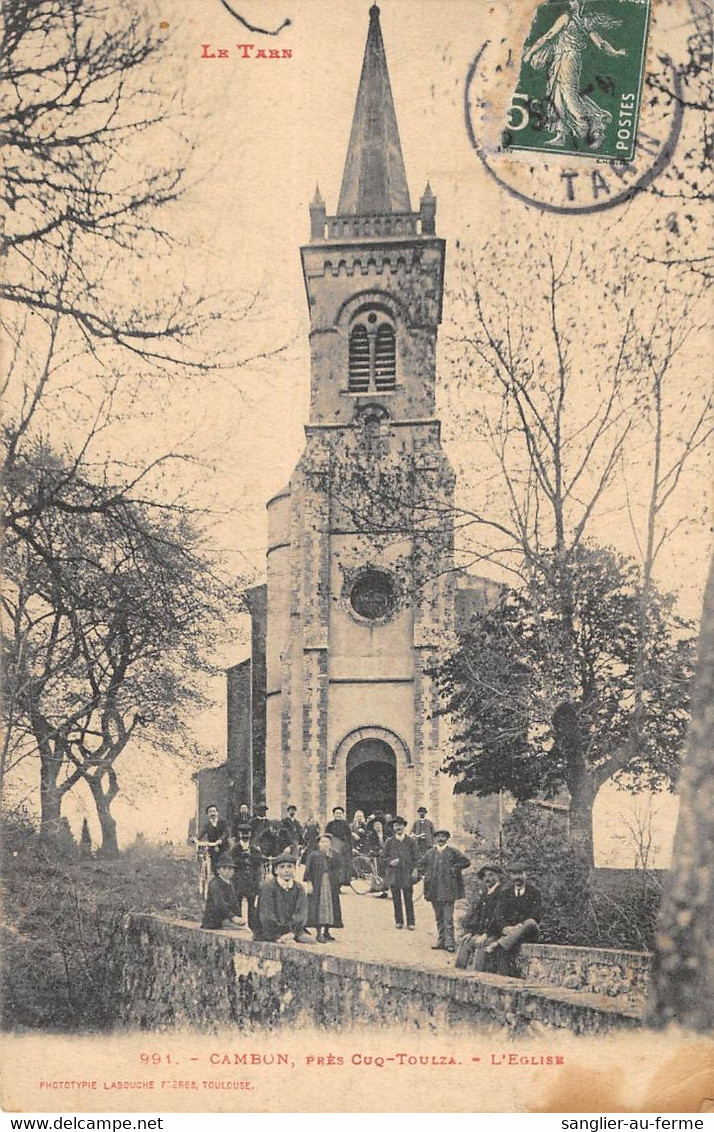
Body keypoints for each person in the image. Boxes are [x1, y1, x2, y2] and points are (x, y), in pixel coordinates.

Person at [522, 0, 626, 150]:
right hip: (562, 59)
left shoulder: (567, 18)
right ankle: (561, 134)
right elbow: (601, 43)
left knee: (569, 95)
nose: (571, 2)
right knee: (556, 95)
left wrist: (530, 53)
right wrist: (615, 52)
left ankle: (593, 126)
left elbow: (547, 37)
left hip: (567, 59)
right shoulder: (585, 21)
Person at [486, 860, 542, 976]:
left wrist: (518, 926)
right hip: (510, 934)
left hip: (528, 932)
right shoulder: (506, 893)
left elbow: (536, 915)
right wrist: (505, 928)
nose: (517, 877)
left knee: (531, 922)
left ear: (526, 874)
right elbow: (498, 915)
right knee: (500, 950)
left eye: (520, 873)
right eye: (514, 874)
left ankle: (499, 944)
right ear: (510, 876)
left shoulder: (534, 892)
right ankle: (503, 978)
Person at [419, 829, 471, 952]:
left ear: (447, 839)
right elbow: (420, 864)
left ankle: (450, 943)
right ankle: (441, 940)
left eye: (443, 837)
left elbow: (466, 861)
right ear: (435, 839)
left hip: (449, 890)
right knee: (438, 917)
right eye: (438, 837)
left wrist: (454, 869)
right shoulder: (430, 853)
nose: (441, 839)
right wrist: (424, 875)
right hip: (434, 890)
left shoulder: (453, 852)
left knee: (448, 918)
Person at [253, 852, 314, 943]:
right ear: (276, 870)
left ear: (294, 869)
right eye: (282, 867)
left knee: (311, 941)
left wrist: (292, 933)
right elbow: (267, 916)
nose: (286, 870)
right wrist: (280, 934)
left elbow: (301, 913)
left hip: (293, 931)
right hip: (270, 931)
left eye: (289, 866)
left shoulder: (299, 888)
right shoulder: (268, 887)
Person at [455, 864, 505, 971]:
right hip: (483, 934)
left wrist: (486, 934)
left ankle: (477, 978)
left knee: (481, 945)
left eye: (491, 875)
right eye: (485, 876)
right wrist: (471, 932)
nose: (487, 879)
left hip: (496, 934)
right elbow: (477, 916)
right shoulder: (485, 895)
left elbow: (498, 917)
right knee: (466, 942)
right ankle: (458, 975)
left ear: (499, 877)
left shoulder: (502, 893)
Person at [380, 816, 420, 930]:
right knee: (396, 899)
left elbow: (417, 857)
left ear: (404, 827)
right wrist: (390, 862)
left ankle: (411, 922)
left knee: (408, 898)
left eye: (400, 825)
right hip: (394, 874)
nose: (398, 827)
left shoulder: (411, 841)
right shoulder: (389, 841)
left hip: (407, 873)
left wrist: (415, 870)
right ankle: (399, 921)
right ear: (393, 828)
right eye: (396, 825)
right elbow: (382, 858)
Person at [304, 834, 343, 942]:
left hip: (331, 884)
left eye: (327, 842)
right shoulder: (313, 855)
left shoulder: (334, 855)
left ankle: (327, 931)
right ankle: (319, 933)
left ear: (330, 844)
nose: (324, 844)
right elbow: (308, 871)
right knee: (318, 907)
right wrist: (309, 883)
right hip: (318, 884)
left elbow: (339, 868)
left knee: (330, 907)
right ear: (318, 844)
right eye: (322, 842)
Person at [201, 854, 246, 930]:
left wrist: (238, 917)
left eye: (230, 869)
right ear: (218, 870)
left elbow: (235, 902)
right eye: (224, 868)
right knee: (242, 930)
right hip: (215, 920)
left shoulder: (231, 883)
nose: (227, 871)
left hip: (227, 918)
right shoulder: (215, 883)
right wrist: (233, 917)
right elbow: (219, 903)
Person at [231, 824, 263, 929]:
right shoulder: (235, 848)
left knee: (251, 904)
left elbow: (259, 862)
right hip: (238, 881)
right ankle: (238, 926)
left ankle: (252, 926)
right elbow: (231, 863)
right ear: (239, 834)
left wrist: (251, 856)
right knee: (237, 902)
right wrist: (242, 859)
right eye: (243, 833)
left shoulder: (254, 849)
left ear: (250, 834)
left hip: (251, 881)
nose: (245, 835)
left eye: (247, 833)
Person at [195, 804, 229, 874]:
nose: (212, 813)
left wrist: (221, 840)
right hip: (212, 847)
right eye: (210, 812)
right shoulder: (207, 825)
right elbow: (202, 832)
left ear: (217, 813)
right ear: (208, 814)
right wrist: (196, 839)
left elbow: (226, 832)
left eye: (214, 811)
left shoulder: (223, 822)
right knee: (213, 865)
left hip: (223, 847)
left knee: (224, 863)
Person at [325, 805, 353, 887]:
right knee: (334, 865)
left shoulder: (345, 824)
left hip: (344, 847)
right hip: (333, 847)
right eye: (336, 813)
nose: (338, 815)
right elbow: (327, 835)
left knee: (343, 865)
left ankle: (341, 882)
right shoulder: (330, 824)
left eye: (340, 813)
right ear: (334, 814)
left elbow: (349, 835)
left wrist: (350, 846)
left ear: (342, 814)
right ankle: (335, 884)